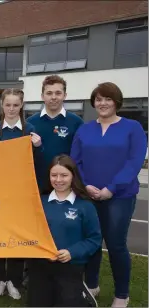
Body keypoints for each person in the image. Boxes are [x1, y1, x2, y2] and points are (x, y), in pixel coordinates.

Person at [71, 82, 147, 308]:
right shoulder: (84, 129)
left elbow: (134, 162)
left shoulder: (132, 128)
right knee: (92, 242)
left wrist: (111, 188)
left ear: (117, 102)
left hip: (120, 196)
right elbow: (76, 161)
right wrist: (87, 186)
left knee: (115, 245)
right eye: (98, 99)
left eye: (108, 99)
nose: (102, 104)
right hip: (89, 194)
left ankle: (122, 294)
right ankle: (92, 284)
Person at [0, 88, 42, 300]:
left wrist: (39, 146)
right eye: (7, 105)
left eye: (15, 105)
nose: (11, 109)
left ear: (21, 106)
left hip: (21, 193)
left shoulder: (31, 129)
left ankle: (14, 281)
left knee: (17, 236)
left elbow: (37, 162)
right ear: (2, 106)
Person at [27, 154, 101, 307]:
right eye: (54, 175)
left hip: (71, 267)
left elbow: (94, 239)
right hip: (40, 267)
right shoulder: (39, 202)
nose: (58, 180)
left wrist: (71, 252)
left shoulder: (85, 206)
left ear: (73, 176)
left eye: (64, 175)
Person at [26, 75, 83, 192]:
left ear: (65, 95)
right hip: (37, 186)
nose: (53, 97)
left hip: (66, 186)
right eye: (49, 93)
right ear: (42, 96)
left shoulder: (76, 122)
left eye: (58, 93)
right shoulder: (30, 123)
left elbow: (81, 155)